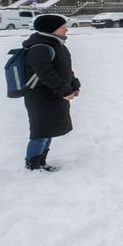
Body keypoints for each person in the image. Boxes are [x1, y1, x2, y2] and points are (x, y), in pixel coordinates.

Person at [22, 14, 80, 172]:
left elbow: (65, 69)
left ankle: (41, 162)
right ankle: (32, 165)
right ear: (52, 29)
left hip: (54, 95)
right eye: (63, 27)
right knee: (40, 131)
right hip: (40, 97)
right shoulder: (40, 48)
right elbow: (46, 74)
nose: (67, 29)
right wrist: (65, 90)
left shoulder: (57, 45)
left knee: (49, 129)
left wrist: (74, 85)